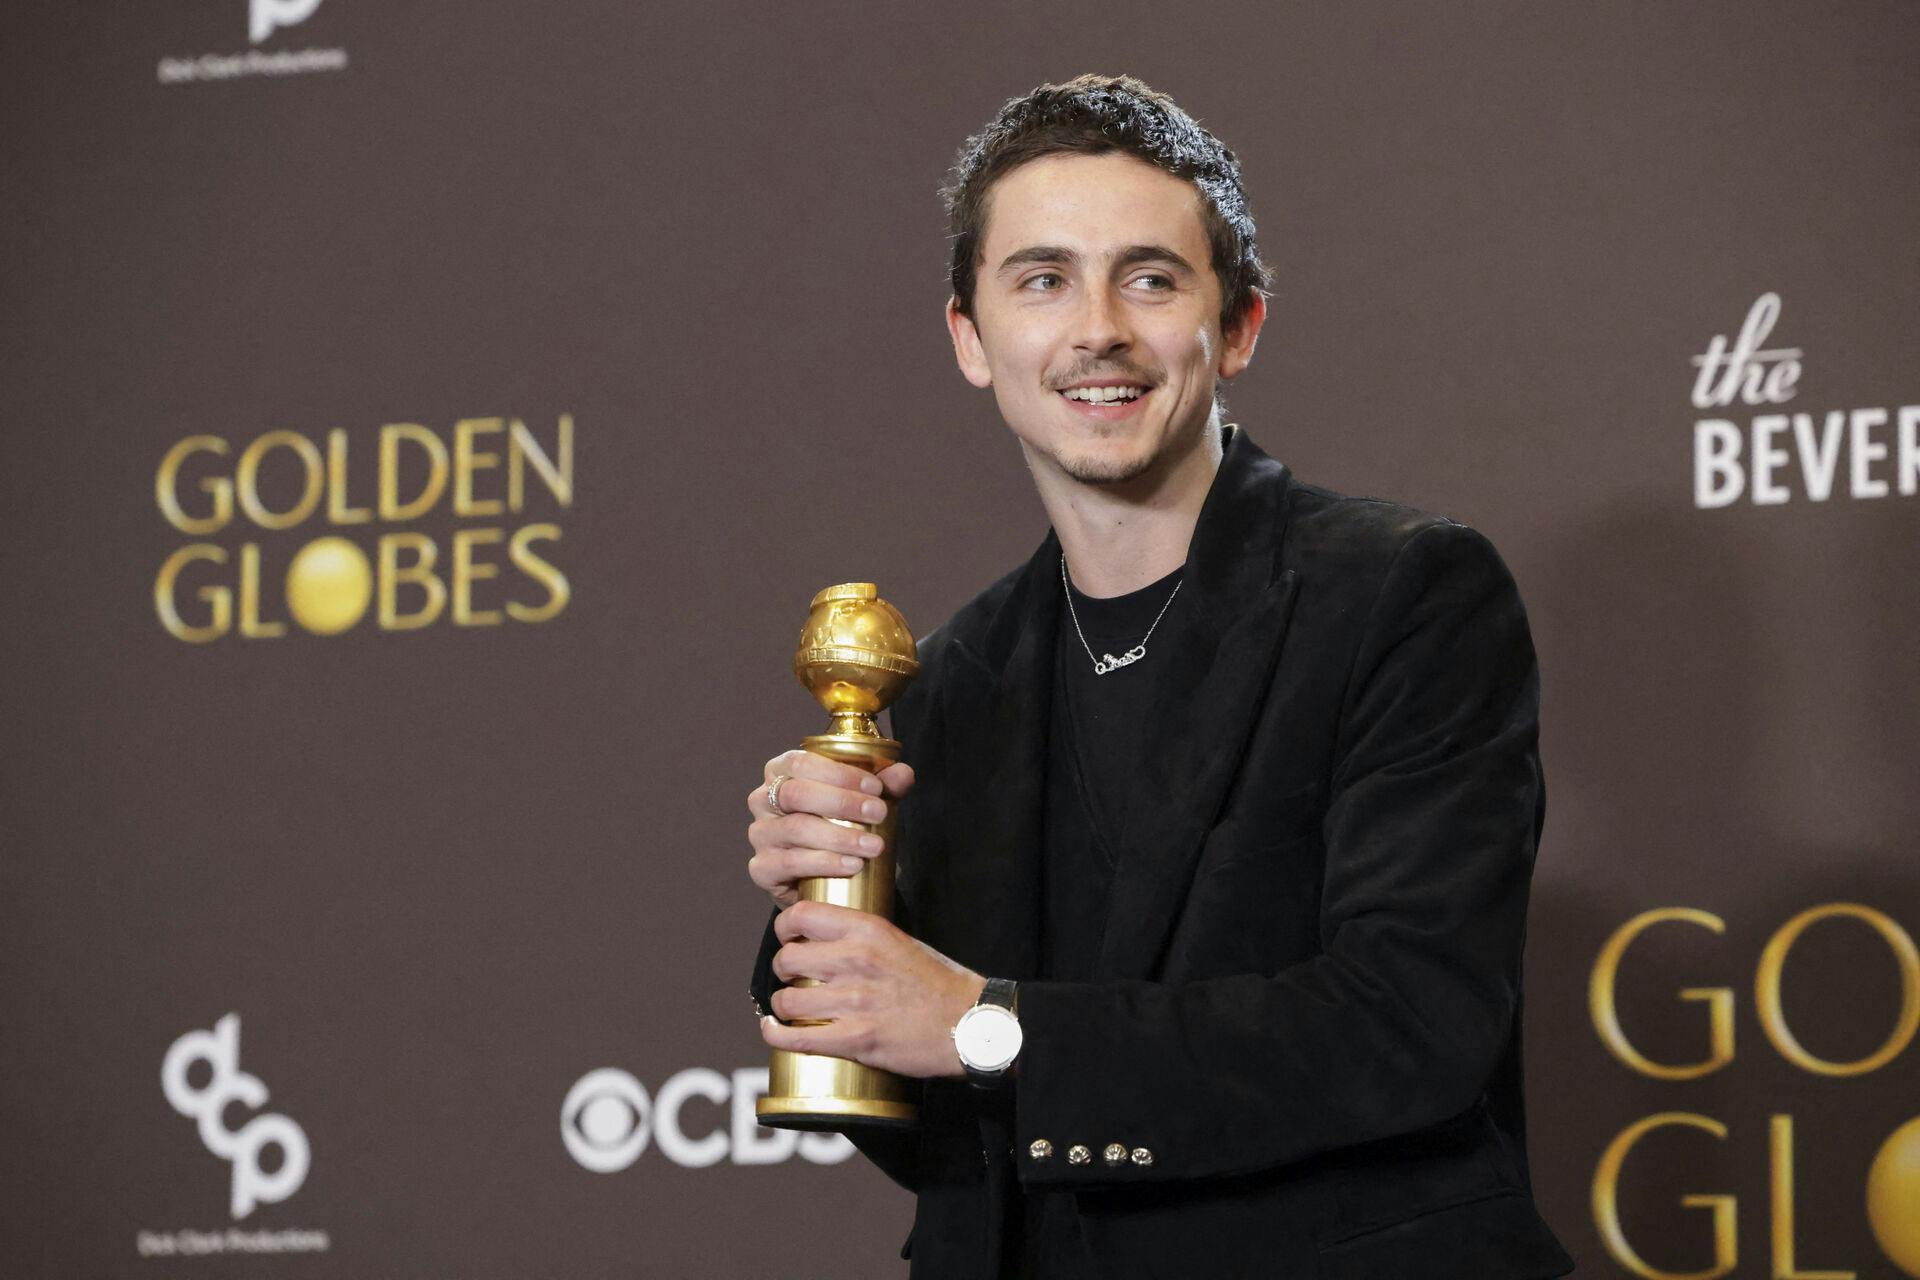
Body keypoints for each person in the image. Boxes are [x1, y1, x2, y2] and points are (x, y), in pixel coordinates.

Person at [744, 73, 1575, 1279]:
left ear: (1236, 325)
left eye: (1149, 276)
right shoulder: (951, 683)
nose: (1098, 330)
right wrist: (820, 928)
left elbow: (1410, 1025)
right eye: (1042, 279)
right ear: (970, 339)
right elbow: (945, 1136)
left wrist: (984, 1023)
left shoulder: (1401, 594)